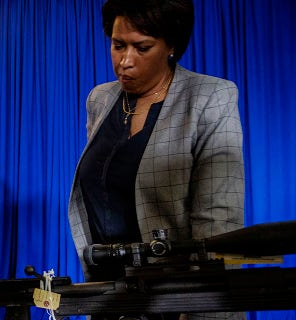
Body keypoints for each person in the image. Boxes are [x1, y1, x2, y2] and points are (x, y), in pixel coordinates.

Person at [67, 0, 244, 319]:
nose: (125, 61)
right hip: (111, 295)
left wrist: (200, 308)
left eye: (142, 48)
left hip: (178, 300)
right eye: (118, 45)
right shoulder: (101, 99)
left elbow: (218, 219)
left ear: (171, 46)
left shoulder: (210, 98)